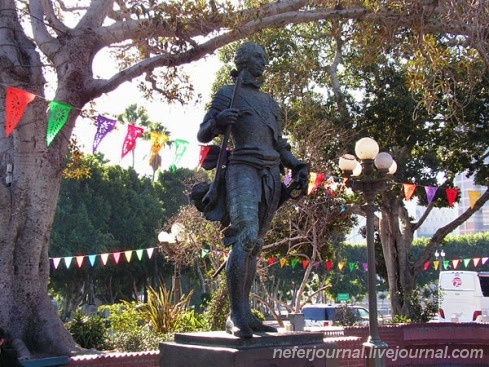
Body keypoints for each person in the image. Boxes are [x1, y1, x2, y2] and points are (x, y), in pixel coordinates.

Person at [196, 42, 309, 338]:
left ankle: (246, 312)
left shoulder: (271, 103)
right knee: (245, 238)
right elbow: (203, 133)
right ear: (243, 60)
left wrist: (297, 165)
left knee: (256, 244)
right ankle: (235, 316)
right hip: (242, 167)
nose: (263, 62)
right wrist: (219, 121)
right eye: (258, 56)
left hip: (271, 173)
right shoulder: (226, 94)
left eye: (264, 57)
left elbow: (279, 143)